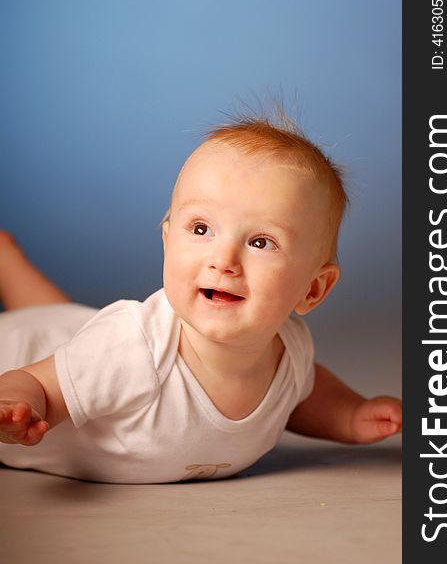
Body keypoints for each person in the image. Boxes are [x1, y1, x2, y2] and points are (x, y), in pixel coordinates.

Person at [0, 115, 402, 483]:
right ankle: (10, 267)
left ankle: (10, 268)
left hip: (76, 335)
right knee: (51, 329)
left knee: (68, 321)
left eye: (261, 242)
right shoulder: (131, 347)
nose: (223, 260)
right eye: (201, 228)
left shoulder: (289, 351)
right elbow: (38, 379)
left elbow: (304, 393)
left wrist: (351, 415)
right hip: (17, 352)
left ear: (312, 289)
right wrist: (19, 402)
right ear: (167, 241)